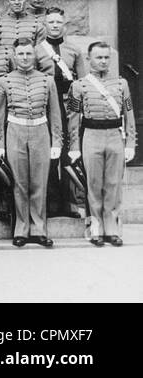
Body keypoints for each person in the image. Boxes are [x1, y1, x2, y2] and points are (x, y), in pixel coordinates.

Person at [0, 38, 62, 248]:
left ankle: (39, 229)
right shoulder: (3, 81)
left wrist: (56, 141)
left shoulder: (47, 81)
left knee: (39, 183)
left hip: (41, 131)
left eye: (28, 53)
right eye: (20, 54)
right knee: (20, 183)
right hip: (15, 131)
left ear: (35, 55)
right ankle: (21, 229)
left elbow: (55, 113)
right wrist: (0, 144)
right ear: (14, 56)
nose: (24, 58)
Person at [67, 41, 136, 246]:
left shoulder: (121, 84)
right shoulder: (79, 86)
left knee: (113, 184)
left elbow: (129, 114)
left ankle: (112, 228)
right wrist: (74, 147)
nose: (103, 61)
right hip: (91, 136)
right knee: (94, 184)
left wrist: (131, 143)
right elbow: (73, 118)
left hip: (115, 135)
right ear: (89, 59)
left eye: (106, 57)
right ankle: (95, 227)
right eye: (99, 57)